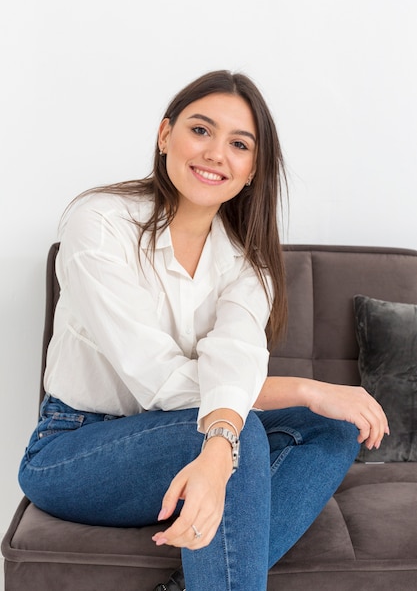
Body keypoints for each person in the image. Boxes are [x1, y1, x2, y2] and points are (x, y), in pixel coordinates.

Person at [18, 69, 389, 591]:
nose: (216, 153)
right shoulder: (99, 222)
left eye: (239, 143)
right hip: (74, 447)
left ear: (253, 169)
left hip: (181, 435)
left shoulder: (246, 261)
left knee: (331, 429)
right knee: (243, 433)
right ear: (165, 134)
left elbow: (233, 359)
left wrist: (224, 437)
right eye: (200, 130)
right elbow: (157, 379)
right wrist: (294, 396)